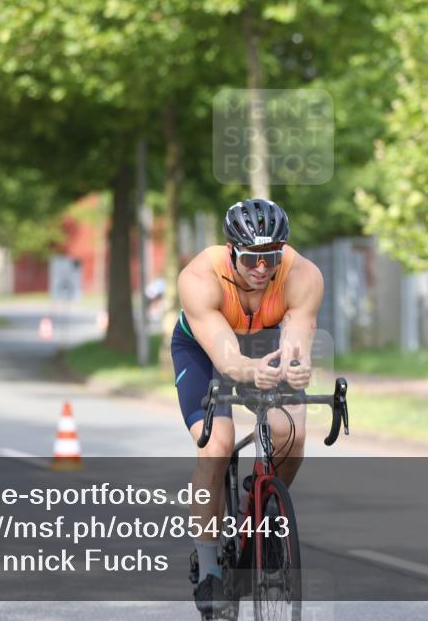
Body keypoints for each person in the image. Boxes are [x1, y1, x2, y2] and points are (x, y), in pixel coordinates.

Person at [172, 199, 323, 615]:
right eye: (251, 257)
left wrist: (296, 367)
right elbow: (227, 358)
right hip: (206, 349)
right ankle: (209, 569)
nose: (261, 267)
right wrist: (249, 371)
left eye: (271, 257)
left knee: (290, 434)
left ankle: (258, 513)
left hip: (264, 340)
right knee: (217, 445)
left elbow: (297, 336)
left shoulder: (303, 275)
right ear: (231, 250)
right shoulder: (199, 278)